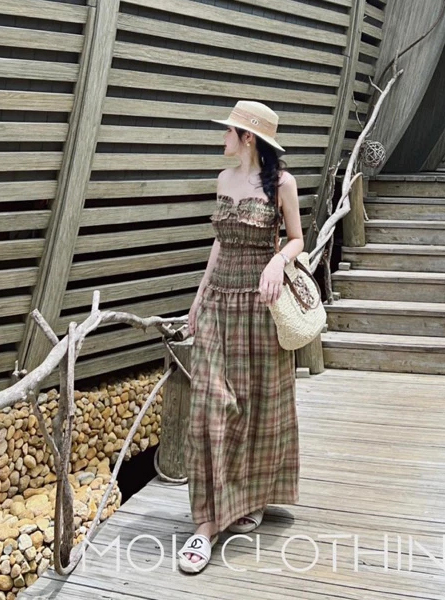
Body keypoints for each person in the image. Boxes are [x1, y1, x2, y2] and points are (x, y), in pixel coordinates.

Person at [177, 100, 303, 574]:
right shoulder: (223, 180)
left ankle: (250, 498)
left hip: (259, 306)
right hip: (218, 304)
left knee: (256, 405)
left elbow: (297, 238)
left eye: (229, 131)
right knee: (209, 406)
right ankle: (206, 524)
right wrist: (198, 297)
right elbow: (220, 242)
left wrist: (277, 261)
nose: (223, 137)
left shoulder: (282, 184)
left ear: (248, 138)